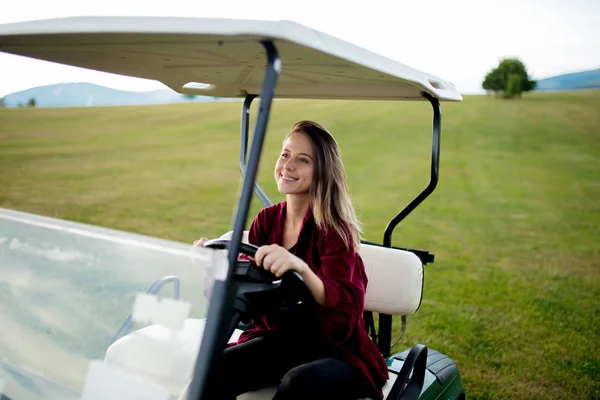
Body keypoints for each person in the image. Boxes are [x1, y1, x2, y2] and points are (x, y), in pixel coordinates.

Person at [193, 120, 388, 400]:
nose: (289, 165)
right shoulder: (267, 220)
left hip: (336, 351)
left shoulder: (335, 230)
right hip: (281, 341)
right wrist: (213, 268)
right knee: (213, 369)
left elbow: (346, 312)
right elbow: (248, 302)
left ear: (322, 171)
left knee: (299, 384)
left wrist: (301, 269)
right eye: (285, 154)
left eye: (303, 160)